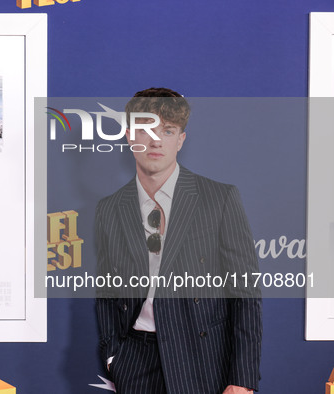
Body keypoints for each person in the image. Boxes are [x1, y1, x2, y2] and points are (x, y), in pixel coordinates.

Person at [95, 88, 262, 394]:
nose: (156, 141)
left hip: (203, 359)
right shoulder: (110, 208)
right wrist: (113, 354)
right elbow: (107, 288)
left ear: (180, 140)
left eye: (167, 131)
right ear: (130, 136)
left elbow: (245, 292)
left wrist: (242, 378)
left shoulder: (219, 198)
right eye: (146, 130)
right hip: (135, 359)